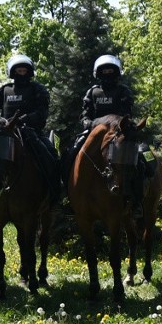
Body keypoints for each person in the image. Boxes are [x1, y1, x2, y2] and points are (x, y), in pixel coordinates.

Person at [0, 55, 60, 210]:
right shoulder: (4, 90)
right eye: (18, 70)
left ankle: (55, 194)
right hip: (2, 134)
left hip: (31, 131)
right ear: (12, 72)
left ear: (29, 72)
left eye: (24, 70)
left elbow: (42, 112)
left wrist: (25, 119)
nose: (21, 73)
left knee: (49, 154)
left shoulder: (38, 89)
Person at [66, 54, 147, 217]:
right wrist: (88, 123)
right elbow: (85, 114)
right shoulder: (92, 92)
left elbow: (126, 113)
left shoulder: (123, 91)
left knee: (141, 160)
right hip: (93, 134)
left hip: (119, 135)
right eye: (105, 71)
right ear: (99, 73)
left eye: (111, 71)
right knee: (70, 155)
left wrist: (113, 124)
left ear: (116, 73)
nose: (108, 73)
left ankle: (135, 201)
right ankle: (68, 196)